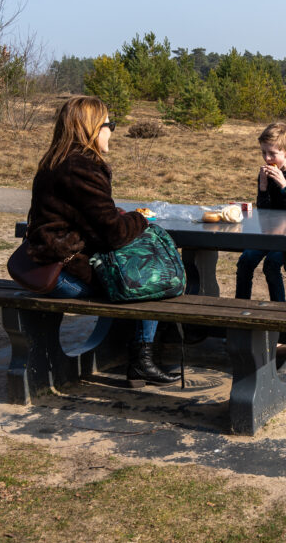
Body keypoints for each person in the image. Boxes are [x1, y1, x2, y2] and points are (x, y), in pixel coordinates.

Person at [24, 95, 179, 387]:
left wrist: (117, 216)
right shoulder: (82, 168)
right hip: (65, 272)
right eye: (110, 125)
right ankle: (141, 360)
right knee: (149, 278)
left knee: (136, 271)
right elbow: (114, 235)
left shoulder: (55, 161)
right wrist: (140, 218)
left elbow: (84, 218)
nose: (112, 131)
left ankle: (140, 354)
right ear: (92, 128)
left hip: (47, 262)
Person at [235, 122, 286, 302]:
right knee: (246, 260)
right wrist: (263, 187)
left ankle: (278, 307)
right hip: (270, 231)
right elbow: (264, 210)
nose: (267, 158)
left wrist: (284, 186)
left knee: (271, 263)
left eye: (272, 153)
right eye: (263, 152)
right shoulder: (265, 173)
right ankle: (240, 304)